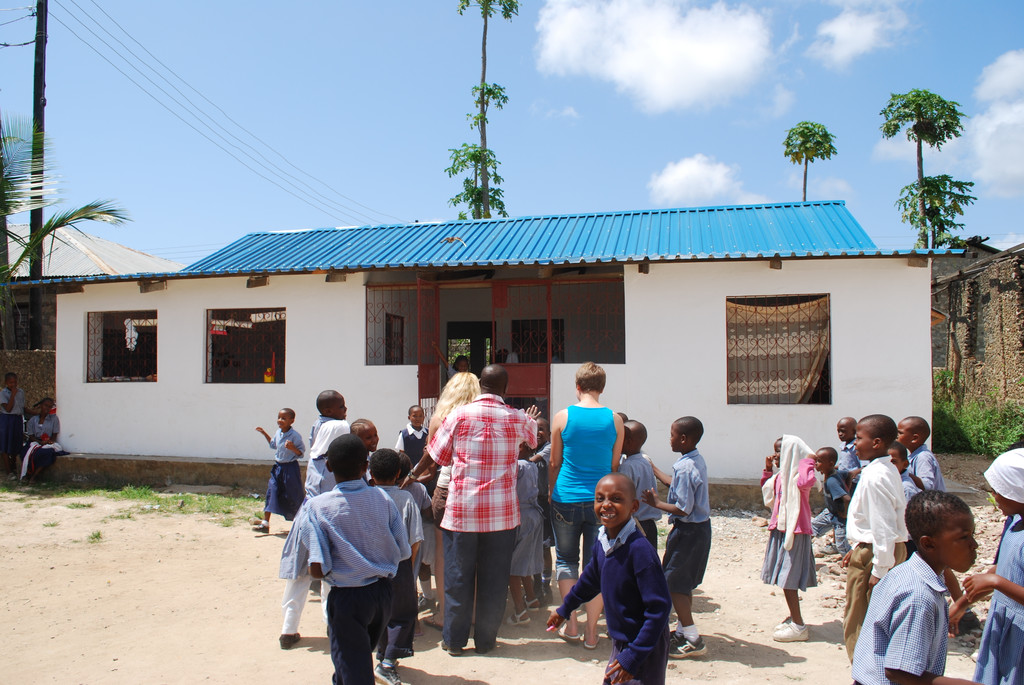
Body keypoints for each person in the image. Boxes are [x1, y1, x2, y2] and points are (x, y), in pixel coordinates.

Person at [420, 364, 538, 655]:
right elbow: (533, 440)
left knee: (458, 575)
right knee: (494, 580)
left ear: (481, 385)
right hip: (502, 515)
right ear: (505, 389)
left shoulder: (457, 416)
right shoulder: (518, 418)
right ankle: (486, 641)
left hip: (462, 512)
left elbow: (439, 456)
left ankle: (454, 641)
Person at [300, 434, 410, 685]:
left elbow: (318, 568)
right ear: (366, 467)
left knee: (352, 665)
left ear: (329, 466)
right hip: (382, 594)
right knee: (351, 660)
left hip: (347, 598)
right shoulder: (384, 499)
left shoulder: (317, 507)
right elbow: (403, 550)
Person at [548, 473, 671, 685]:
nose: (606, 505)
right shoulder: (604, 541)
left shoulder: (639, 551)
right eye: (600, 499)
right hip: (622, 641)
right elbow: (590, 580)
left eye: (616, 499)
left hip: (644, 645)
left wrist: (634, 655)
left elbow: (659, 608)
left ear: (633, 506)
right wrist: (565, 609)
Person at [851, 490, 979, 685]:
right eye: (964, 537)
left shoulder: (904, 573)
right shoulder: (918, 596)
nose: (974, 545)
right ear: (928, 544)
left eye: (972, 535)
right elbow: (899, 672)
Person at [549, 361, 624, 648]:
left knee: (566, 560)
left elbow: (554, 461)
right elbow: (614, 465)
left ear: (577, 386)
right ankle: (592, 632)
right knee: (597, 564)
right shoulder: (615, 420)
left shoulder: (562, 417)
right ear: (602, 388)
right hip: (601, 501)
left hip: (566, 497)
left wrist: (551, 490)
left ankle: (571, 624)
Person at [402, 372, 482, 633]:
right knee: (474, 552)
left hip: (447, 486)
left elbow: (433, 458)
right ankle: (473, 611)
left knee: (443, 552)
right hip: (477, 489)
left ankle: (444, 612)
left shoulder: (439, 420)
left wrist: (412, 476)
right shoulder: (481, 415)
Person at [952, 446, 1024, 685]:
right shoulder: (1015, 524)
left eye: (999, 491)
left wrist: (995, 582)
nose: (994, 497)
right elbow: (1004, 568)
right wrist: (961, 604)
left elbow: (999, 578)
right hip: (1005, 625)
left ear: (1017, 491)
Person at [841, 414, 909, 660]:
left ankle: (864, 668)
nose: (855, 444)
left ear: (877, 442)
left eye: (859, 438)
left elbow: (883, 526)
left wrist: (879, 569)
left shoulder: (874, 476)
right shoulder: (887, 469)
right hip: (881, 548)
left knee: (859, 617)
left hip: (877, 552)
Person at [642, 416, 711, 659]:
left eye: (671, 435)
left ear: (683, 439)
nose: (669, 439)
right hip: (699, 531)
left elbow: (683, 508)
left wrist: (657, 503)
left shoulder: (685, 467)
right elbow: (676, 483)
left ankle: (692, 638)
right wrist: (654, 469)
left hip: (688, 532)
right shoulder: (694, 460)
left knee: (674, 584)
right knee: (683, 582)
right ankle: (682, 631)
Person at [369, 449, 423, 685]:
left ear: (371, 473)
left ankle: (383, 654)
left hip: (370, 566)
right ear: (399, 473)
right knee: (403, 614)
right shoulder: (406, 499)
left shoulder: (366, 498)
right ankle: (388, 663)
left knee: (379, 613)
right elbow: (415, 540)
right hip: (399, 566)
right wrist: (409, 569)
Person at [760, 435, 818, 642]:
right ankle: (794, 617)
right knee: (785, 578)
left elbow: (806, 481)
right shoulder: (781, 477)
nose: (776, 455)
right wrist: (768, 470)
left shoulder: (798, 477)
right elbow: (767, 492)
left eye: (780, 451)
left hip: (795, 531)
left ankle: (799, 626)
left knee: (789, 579)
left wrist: (808, 459)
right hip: (781, 529)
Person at [507, 442, 544, 625]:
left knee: (512, 566)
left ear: (523, 448)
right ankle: (531, 598)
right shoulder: (532, 465)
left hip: (520, 516)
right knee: (523, 560)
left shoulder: (517, 466)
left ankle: (520, 612)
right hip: (533, 515)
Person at [253, 408, 305, 533]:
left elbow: (301, 453)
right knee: (271, 491)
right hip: (278, 467)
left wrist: (293, 448)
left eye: (284, 418)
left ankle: (300, 524)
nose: (280, 420)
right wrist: (264, 433)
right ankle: (265, 523)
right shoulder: (278, 433)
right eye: (279, 417)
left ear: (291, 421)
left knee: (293, 495)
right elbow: (273, 445)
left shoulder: (295, 436)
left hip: (290, 468)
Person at [618, 420, 661, 544]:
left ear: (628, 442)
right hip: (649, 524)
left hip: (636, 524)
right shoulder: (645, 461)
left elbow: (623, 496)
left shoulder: (627, 466)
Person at [304, 392, 350, 499]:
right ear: (328, 411)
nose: (345, 409)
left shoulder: (317, 424)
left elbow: (313, 444)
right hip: (327, 470)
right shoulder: (337, 427)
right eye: (341, 406)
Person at [528, 417, 554, 602]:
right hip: (529, 503)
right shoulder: (530, 448)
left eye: (542, 429)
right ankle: (536, 582)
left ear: (549, 433)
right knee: (531, 546)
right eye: (534, 429)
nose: (538, 433)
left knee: (544, 546)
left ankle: (546, 585)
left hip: (544, 504)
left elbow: (531, 461)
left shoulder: (548, 448)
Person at [811, 446, 852, 556]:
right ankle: (804, 548)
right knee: (812, 526)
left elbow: (847, 499)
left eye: (819, 461)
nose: (816, 464)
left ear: (830, 464)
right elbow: (849, 474)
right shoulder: (836, 472)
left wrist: (845, 514)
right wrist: (847, 488)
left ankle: (850, 560)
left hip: (839, 518)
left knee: (841, 545)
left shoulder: (831, 481)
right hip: (830, 512)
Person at [20, 397, 65, 483]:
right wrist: (39, 442)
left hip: (47, 442)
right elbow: (31, 435)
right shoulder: (33, 420)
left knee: (46, 453)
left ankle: (34, 476)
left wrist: (48, 442)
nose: (47, 408)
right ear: (41, 405)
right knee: (25, 453)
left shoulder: (54, 419)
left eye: (50, 406)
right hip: (34, 442)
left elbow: (54, 435)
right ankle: (27, 474)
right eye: (45, 405)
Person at [897, 416, 946, 493]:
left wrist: (903, 473)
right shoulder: (913, 455)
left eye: (900, 433)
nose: (896, 436)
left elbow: (928, 486)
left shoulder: (923, 457)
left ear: (914, 438)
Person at [1, 372, 25, 478]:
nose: (13, 384)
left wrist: (35, 412)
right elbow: (8, 408)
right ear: (6, 383)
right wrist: (13, 395)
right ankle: (8, 471)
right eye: (11, 382)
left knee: (16, 443)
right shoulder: (3, 393)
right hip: (7, 420)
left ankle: (13, 467)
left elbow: (22, 408)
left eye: (15, 382)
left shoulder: (21, 392)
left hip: (17, 419)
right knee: (5, 444)